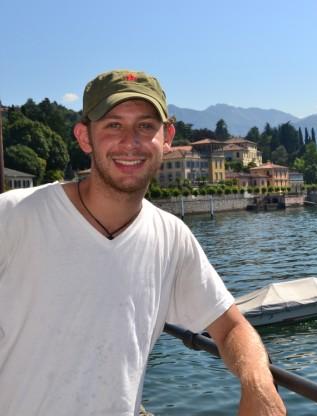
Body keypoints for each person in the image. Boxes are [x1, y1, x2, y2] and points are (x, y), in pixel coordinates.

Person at [0, 70, 286, 415]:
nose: (130, 142)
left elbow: (230, 328)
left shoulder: (171, 236)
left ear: (166, 138)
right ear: (85, 136)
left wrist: (258, 384)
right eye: (113, 125)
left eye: (145, 126)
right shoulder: (14, 216)